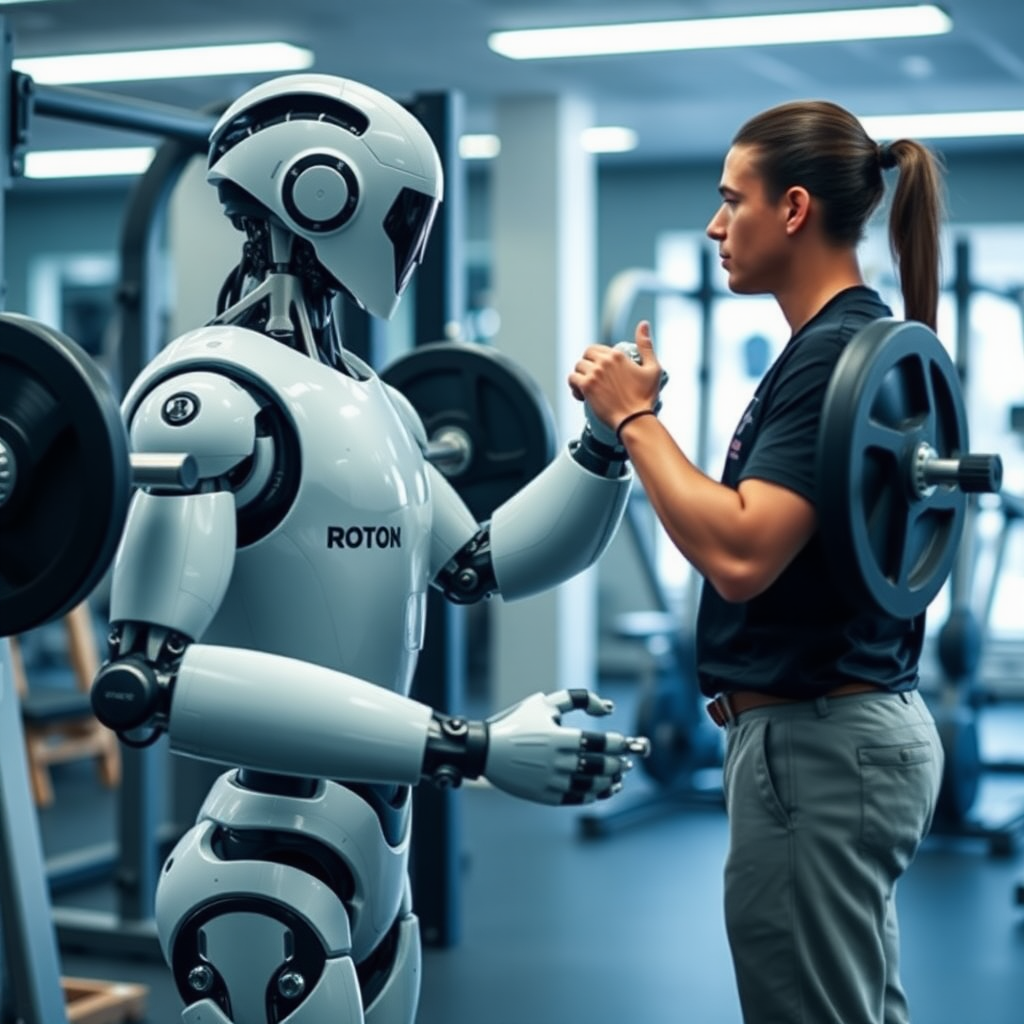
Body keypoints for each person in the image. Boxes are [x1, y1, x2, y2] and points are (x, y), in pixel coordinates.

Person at [568, 99, 946, 1024]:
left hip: (819, 747)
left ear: (794, 209)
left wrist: (633, 418)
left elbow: (739, 551)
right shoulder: (839, 347)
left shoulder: (831, 356)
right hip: (835, 737)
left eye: (732, 200)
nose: (714, 224)